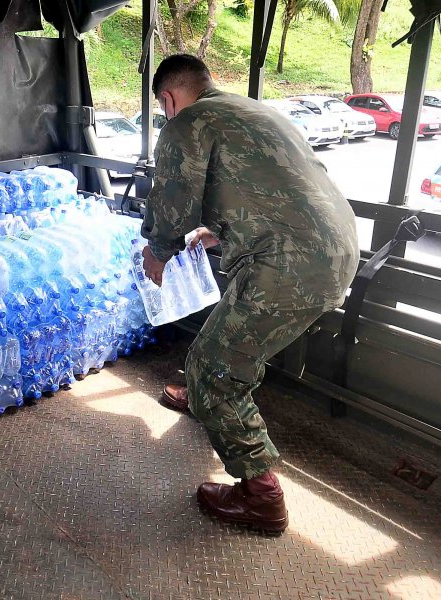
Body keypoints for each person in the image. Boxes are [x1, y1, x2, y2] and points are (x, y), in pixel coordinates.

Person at [141, 54, 359, 535]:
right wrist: (216, 233)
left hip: (287, 263)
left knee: (211, 368)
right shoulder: (253, 110)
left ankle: (261, 496)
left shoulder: (187, 123)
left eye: (163, 107)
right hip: (335, 251)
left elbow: (173, 201)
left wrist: (158, 250)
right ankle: (206, 399)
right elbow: (269, 188)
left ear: (169, 98)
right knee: (233, 341)